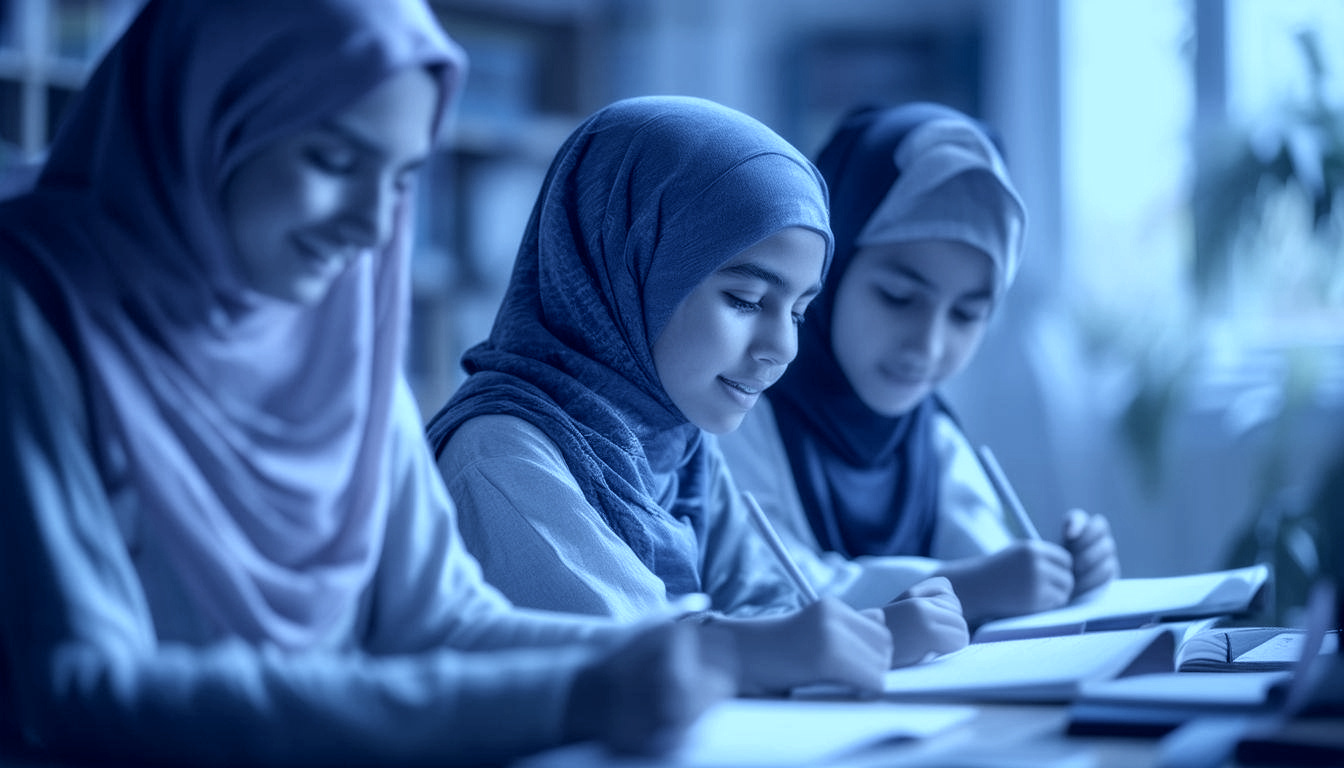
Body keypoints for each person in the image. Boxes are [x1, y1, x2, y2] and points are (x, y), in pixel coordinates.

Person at [0, 2, 739, 765]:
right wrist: (568, 696)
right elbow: (85, 689)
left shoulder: (334, 330)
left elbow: (443, 623)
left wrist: (712, 656)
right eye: (334, 161)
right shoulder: (33, 311)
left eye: (402, 179)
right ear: (205, 117)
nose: (373, 229)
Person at [425, 95, 968, 687]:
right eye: (746, 300)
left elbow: (772, 604)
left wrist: (867, 630)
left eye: (800, 311)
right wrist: (840, 642)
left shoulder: (677, 441)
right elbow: (637, 671)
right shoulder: (503, 455)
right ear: (627, 263)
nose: (782, 348)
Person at [718, 102, 1121, 627]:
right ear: (826, 271)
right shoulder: (737, 413)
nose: (928, 347)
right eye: (898, 297)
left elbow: (989, 561)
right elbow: (761, 586)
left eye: (967, 314)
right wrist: (967, 588)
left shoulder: (931, 436)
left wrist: (1064, 574)